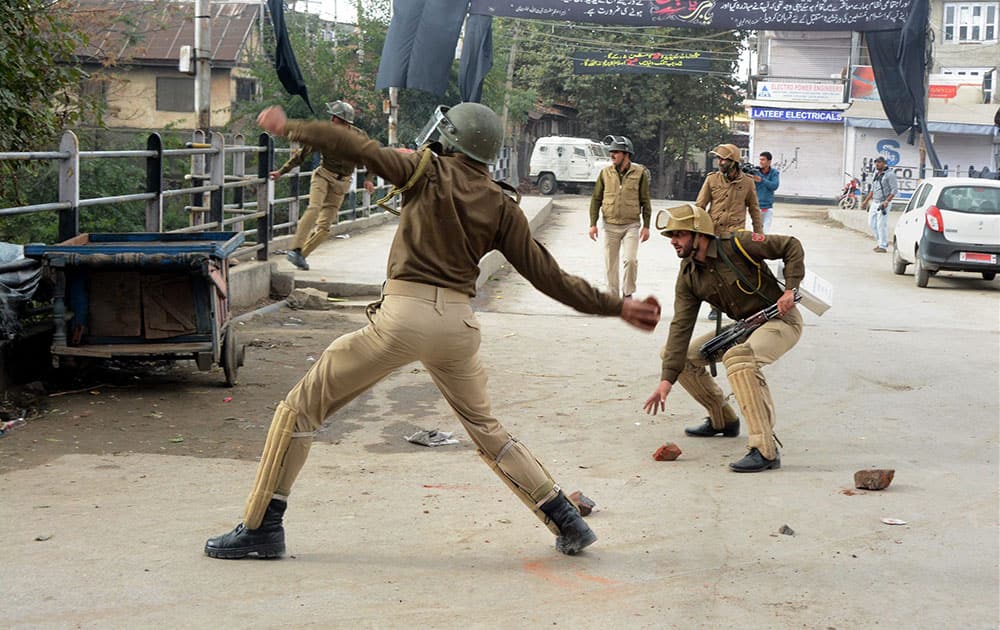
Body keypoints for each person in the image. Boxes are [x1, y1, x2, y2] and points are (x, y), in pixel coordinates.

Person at [204, 102, 662, 560]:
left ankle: (262, 526)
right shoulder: (502, 203)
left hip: (404, 316)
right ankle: (566, 519)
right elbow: (550, 277)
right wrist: (616, 305)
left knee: (300, 409)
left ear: (451, 139)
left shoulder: (425, 171)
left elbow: (355, 146)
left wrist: (293, 128)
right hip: (458, 324)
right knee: (486, 429)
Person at [642, 203, 804, 473]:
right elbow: (681, 326)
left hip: (781, 320)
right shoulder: (689, 274)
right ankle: (723, 420)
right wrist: (666, 379)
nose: (673, 242)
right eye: (671, 236)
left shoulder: (737, 244)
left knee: (739, 358)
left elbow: (791, 245)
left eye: (678, 234)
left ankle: (765, 449)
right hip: (744, 327)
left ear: (699, 234)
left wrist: (790, 289)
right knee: (678, 357)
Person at [273, 100, 376, 271]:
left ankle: (301, 255)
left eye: (334, 118)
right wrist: (281, 171)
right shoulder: (324, 135)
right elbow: (301, 155)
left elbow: (371, 158)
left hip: (342, 183)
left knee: (325, 227)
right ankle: (295, 247)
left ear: (344, 122)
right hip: (323, 175)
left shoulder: (359, 137)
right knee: (314, 208)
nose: (331, 121)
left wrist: (369, 179)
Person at [696, 143, 764, 320]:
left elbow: (754, 209)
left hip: (736, 234)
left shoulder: (747, 183)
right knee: (712, 271)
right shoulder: (711, 179)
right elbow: (700, 206)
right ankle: (715, 306)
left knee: (734, 272)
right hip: (713, 231)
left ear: (733, 162)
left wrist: (759, 233)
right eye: (718, 158)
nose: (720, 162)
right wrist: (697, 230)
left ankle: (737, 305)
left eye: (723, 159)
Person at [588, 135, 652, 298]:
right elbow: (596, 199)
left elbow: (645, 200)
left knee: (630, 260)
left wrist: (646, 226)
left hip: (631, 225)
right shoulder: (605, 173)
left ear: (626, 154)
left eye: (616, 152)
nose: (612, 155)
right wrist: (593, 224)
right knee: (611, 264)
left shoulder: (640, 173)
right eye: (611, 152)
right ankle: (613, 297)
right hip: (610, 225)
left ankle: (628, 293)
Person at [861, 156, 898, 253]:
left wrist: (887, 201)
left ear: (884, 163)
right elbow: (873, 189)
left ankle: (883, 245)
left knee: (881, 224)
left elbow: (894, 190)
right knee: (872, 224)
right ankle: (881, 242)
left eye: (879, 162)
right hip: (875, 202)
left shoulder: (890, 175)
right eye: (876, 162)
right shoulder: (875, 174)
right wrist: (866, 201)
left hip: (883, 203)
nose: (877, 164)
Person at [752, 151, 780, 233]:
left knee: (765, 231)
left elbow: (774, 186)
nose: (760, 162)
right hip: (755, 206)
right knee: (756, 231)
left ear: (769, 161)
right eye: (760, 159)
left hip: (767, 207)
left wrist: (762, 180)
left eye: (763, 160)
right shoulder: (755, 171)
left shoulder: (774, 173)